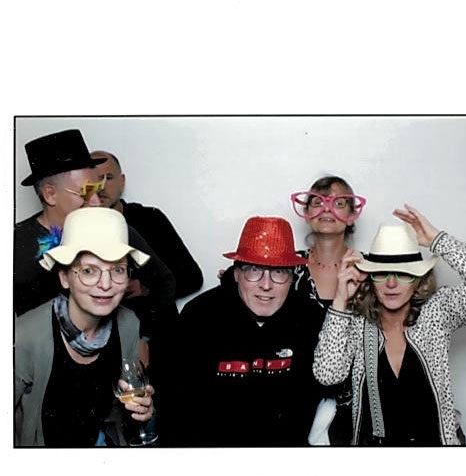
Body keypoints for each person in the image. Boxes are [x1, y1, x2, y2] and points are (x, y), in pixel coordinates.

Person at [313, 205, 466, 445]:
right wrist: (340, 300)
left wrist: (436, 239)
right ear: (370, 278)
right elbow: (327, 375)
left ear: (418, 280)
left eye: (403, 274)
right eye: (382, 273)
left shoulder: (436, 313)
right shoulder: (358, 322)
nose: (391, 284)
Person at [15, 130, 177, 360]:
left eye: (97, 191)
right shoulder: (14, 244)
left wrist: (142, 338)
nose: (96, 201)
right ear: (50, 194)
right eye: (86, 192)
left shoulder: (114, 227)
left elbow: (164, 281)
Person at [166, 217, 324, 447]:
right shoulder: (198, 316)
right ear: (236, 273)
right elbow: (175, 408)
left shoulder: (310, 317)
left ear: (292, 277)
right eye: (254, 270)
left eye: (279, 272)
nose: (266, 285)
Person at [14, 208, 156, 446]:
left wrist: (143, 412)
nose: (106, 284)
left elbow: (124, 412)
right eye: (89, 271)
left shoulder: (128, 324)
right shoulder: (24, 336)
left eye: (118, 270)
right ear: (64, 277)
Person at [289, 175, 367, 444]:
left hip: (355, 405)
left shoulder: (369, 270)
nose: (327, 209)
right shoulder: (287, 268)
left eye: (339, 203)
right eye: (317, 202)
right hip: (293, 399)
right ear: (306, 212)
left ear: (353, 215)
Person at [93, 150, 204, 299]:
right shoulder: (75, 228)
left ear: (122, 181)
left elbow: (192, 278)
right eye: (93, 180)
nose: (100, 186)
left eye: (108, 178)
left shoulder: (149, 219)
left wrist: (146, 290)